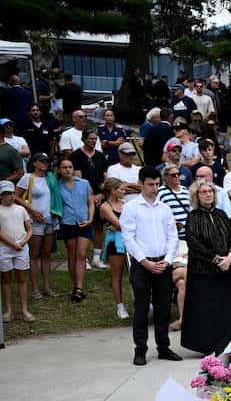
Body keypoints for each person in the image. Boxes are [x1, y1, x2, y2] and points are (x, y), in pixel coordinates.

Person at [121, 166, 181, 365]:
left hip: (163, 263)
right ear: (141, 183)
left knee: (163, 306)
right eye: (150, 184)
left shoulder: (164, 208)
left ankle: (163, 347)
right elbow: (128, 238)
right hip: (142, 264)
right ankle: (140, 349)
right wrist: (144, 261)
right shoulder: (131, 207)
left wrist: (169, 259)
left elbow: (173, 236)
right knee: (142, 307)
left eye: (157, 184)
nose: (154, 188)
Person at [182, 178, 231, 355]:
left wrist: (230, 256)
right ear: (197, 195)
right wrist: (218, 260)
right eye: (203, 192)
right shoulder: (193, 217)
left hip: (226, 270)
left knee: (227, 307)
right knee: (208, 309)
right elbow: (195, 244)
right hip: (205, 272)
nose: (208, 194)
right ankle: (209, 345)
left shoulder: (221, 214)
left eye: (210, 191)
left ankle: (230, 342)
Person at [17, 152, 57, 299]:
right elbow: (16, 196)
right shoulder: (28, 178)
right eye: (41, 161)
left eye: (46, 161)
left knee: (46, 255)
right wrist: (31, 210)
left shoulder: (50, 178)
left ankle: (46, 286)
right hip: (35, 220)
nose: (44, 163)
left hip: (49, 220)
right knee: (34, 255)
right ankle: (35, 288)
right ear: (34, 163)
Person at [55, 156, 92, 302]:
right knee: (72, 255)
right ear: (59, 169)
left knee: (81, 254)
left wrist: (90, 219)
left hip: (84, 222)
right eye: (64, 167)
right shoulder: (57, 187)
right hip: (67, 222)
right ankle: (75, 284)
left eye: (70, 167)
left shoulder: (83, 183)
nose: (67, 169)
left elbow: (91, 203)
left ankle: (79, 288)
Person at [0, 179, 34, 322]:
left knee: (21, 278)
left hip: (21, 247)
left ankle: (24, 309)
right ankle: (8, 310)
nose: (10, 196)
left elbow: (29, 229)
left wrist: (23, 242)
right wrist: (12, 244)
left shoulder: (21, 209)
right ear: (1, 195)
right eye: (6, 194)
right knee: (6, 279)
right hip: (4, 248)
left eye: (12, 193)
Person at [98, 177, 130, 319]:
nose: (124, 191)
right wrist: (122, 226)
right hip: (115, 244)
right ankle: (120, 306)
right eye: (122, 189)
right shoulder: (105, 207)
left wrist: (121, 226)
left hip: (129, 241)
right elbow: (122, 224)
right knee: (117, 275)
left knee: (135, 274)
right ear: (113, 190)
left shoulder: (125, 203)